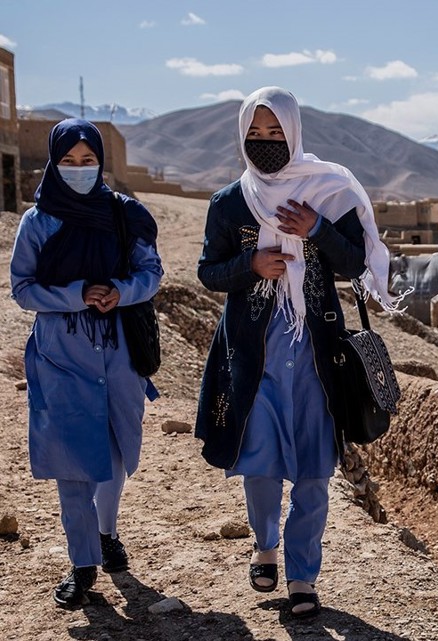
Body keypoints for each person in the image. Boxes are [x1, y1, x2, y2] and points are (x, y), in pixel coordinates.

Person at [195, 87, 397, 618]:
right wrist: (250, 265)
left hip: (316, 353)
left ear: (294, 131)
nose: (265, 143)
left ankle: (303, 577)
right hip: (252, 352)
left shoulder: (329, 191)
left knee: (313, 468)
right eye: (254, 135)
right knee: (259, 459)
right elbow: (207, 271)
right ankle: (265, 547)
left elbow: (356, 263)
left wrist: (318, 230)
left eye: (275, 133)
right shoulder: (229, 202)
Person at [10, 119, 162, 607]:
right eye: (68, 162)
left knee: (116, 448)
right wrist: (77, 295)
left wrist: (121, 291)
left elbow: (151, 272)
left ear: (101, 162)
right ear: (55, 164)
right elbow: (23, 289)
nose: (79, 170)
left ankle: (106, 532)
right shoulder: (37, 223)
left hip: (119, 353)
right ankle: (81, 563)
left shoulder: (124, 216)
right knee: (72, 463)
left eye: (88, 161)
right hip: (61, 357)